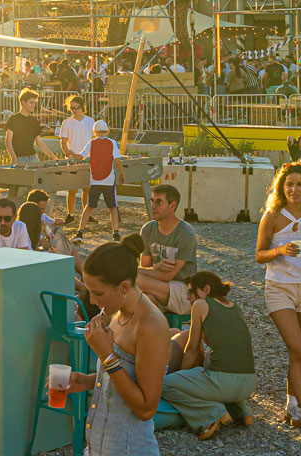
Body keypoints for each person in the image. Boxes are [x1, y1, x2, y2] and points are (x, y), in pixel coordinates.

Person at [58, 242, 168, 456]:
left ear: (124, 288)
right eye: (89, 291)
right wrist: (85, 381)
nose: (91, 300)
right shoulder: (115, 313)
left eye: (97, 293)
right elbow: (122, 379)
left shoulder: (150, 326)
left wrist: (106, 355)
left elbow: (146, 408)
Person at [255, 163, 301, 435]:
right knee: (298, 348)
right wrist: (279, 250)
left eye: (299, 184)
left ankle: (290, 405)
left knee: (299, 350)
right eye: (289, 185)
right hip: (279, 288)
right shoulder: (272, 216)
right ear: (281, 188)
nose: (294, 189)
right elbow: (259, 254)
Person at [160, 271, 257, 441]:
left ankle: (211, 414)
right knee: (209, 362)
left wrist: (181, 377)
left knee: (165, 385)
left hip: (225, 381)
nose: (189, 298)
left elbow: (191, 349)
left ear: (206, 289)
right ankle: (240, 409)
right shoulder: (234, 307)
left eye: (191, 292)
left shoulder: (201, 305)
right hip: (249, 383)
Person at [136, 184, 197, 318]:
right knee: (146, 300)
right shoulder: (148, 230)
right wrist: (155, 267)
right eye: (152, 201)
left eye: (158, 202)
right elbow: (145, 266)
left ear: (172, 205)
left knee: (135, 279)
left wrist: (131, 270)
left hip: (183, 289)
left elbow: (168, 276)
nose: (153, 206)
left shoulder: (185, 233)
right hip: (157, 286)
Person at [77, 120, 123, 241]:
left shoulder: (91, 143)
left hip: (95, 180)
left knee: (89, 207)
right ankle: (116, 233)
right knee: (113, 207)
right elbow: (118, 161)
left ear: (95, 132)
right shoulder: (112, 143)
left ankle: (80, 232)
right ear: (107, 131)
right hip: (109, 180)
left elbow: (80, 157)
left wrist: (70, 152)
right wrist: (122, 174)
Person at [4, 88, 55, 164]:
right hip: (20, 158)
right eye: (31, 102)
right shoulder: (13, 119)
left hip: (33, 158)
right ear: (23, 102)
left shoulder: (33, 120)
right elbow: (8, 141)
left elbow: (39, 142)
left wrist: (53, 156)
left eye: (35, 102)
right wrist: (14, 158)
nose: (34, 105)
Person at [57, 95, 95, 160]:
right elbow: (63, 142)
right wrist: (68, 154)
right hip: (72, 158)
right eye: (72, 108)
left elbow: (95, 140)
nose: (74, 110)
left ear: (82, 107)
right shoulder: (66, 122)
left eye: (76, 107)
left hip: (88, 158)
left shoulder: (91, 121)